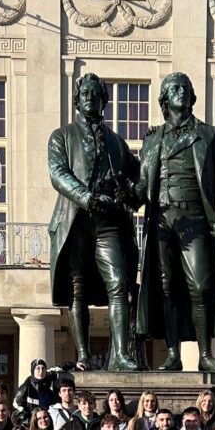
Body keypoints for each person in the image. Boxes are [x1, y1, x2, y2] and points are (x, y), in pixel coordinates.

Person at [133, 71, 215, 373]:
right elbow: (143, 186)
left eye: (185, 88)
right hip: (162, 221)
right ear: (164, 99)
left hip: (196, 219)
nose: (180, 91)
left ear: (192, 96)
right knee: (167, 287)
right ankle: (173, 354)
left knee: (201, 285)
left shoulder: (208, 135)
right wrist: (126, 194)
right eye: (174, 88)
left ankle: (205, 354)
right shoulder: (153, 139)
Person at [48, 71, 142, 371]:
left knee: (119, 283)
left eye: (96, 94)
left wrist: (148, 159)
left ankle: (121, 355)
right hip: (76, 220)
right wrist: (86, 197)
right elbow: (58, 174)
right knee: (78, 289)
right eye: (85, 94)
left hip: (109, 221)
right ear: (77, 100)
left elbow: (137, 180)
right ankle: (84, 356)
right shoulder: (62, 136)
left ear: (104, 100)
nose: (90, 98)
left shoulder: (117, 142)